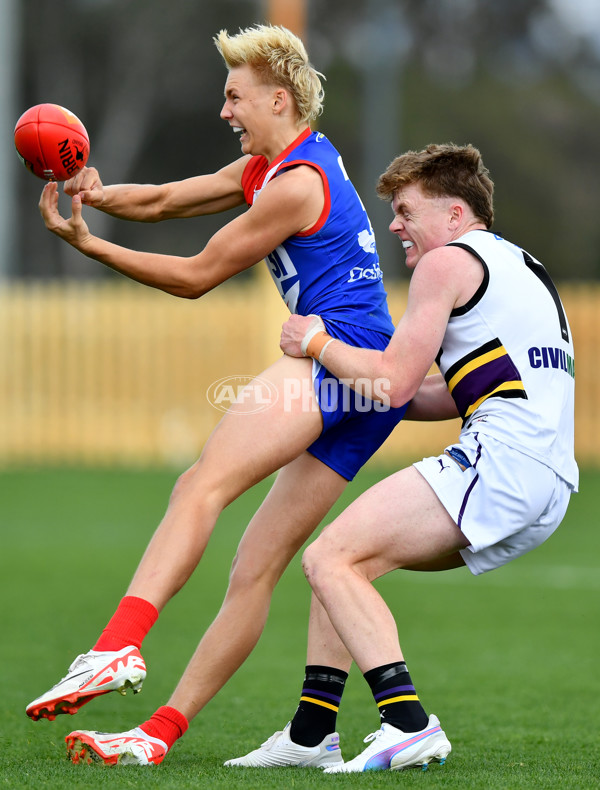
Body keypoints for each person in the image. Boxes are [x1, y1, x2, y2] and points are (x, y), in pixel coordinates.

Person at [26, 24, 408, 767]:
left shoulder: (294, 185)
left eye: (235, 96)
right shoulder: (277, 166)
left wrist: (87, 244)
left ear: (279, 97)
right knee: (254, 568)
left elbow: (197, 276)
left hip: (332, 359)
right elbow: (167, 200)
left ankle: (117, 647)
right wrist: (96, 195)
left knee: (201, 484)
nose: (224, 109)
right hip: (370, 386)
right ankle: (159, 733)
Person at [273, 142, 578, 772]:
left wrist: (316, 340)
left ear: (457, 215)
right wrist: (371, 394)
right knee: (349, 556)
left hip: (504, 459)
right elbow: (443, 393)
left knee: (328, 557)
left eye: (406, 209)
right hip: (548, 482)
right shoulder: (522, 266)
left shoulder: (447, 264)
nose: (394, 225)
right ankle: (311, 731)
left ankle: (407, 723)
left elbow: (394, 381)